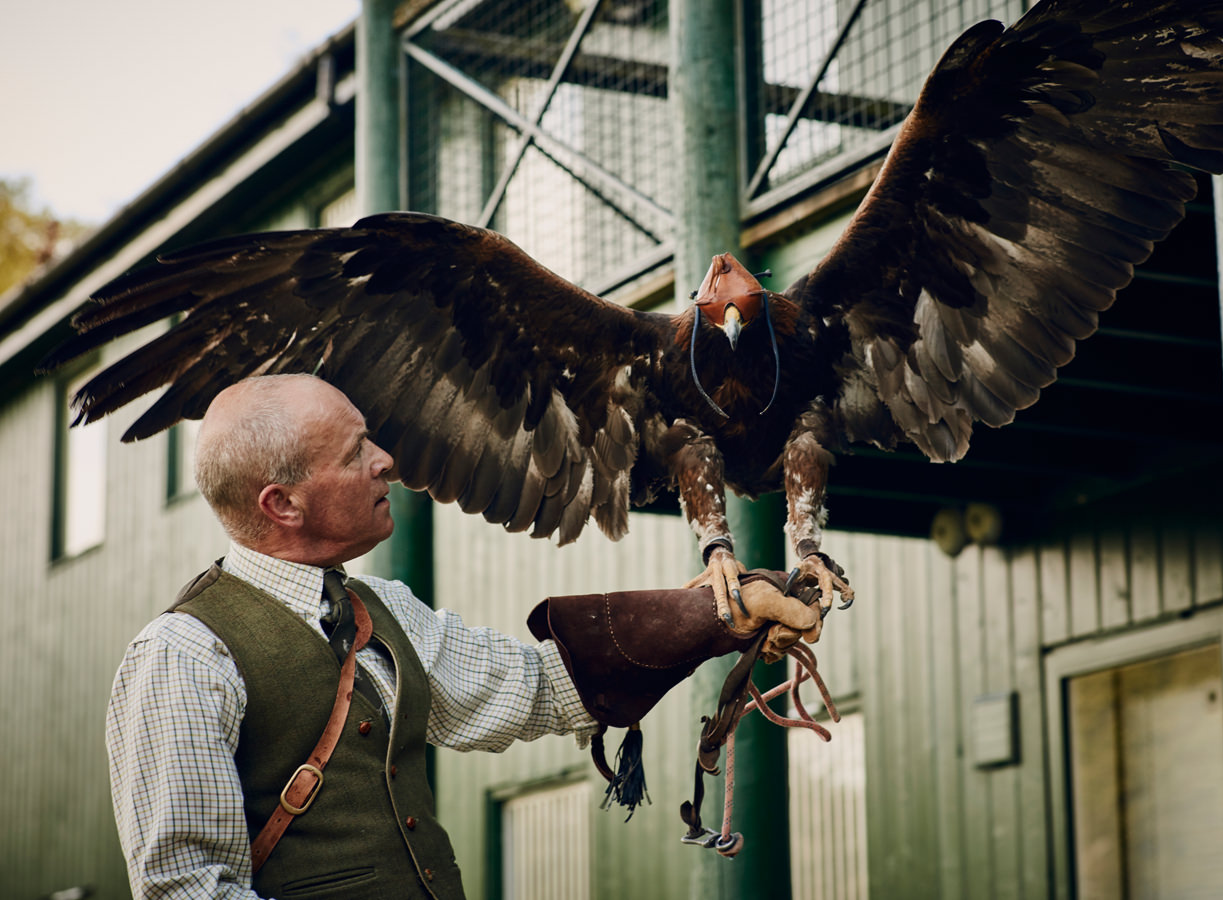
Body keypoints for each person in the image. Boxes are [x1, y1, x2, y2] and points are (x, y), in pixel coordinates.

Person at [105, 373, 822, 899]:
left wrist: (717, 614)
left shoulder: (377, 608)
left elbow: (540, 688)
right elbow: (185, 888)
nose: (387, 459)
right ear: (281, 502)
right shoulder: (184, 655)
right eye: (356, 452)